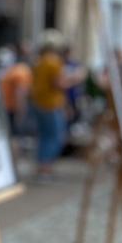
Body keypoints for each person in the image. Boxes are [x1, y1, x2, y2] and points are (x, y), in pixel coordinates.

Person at [29, 30, 82, 180]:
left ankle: (42, 167)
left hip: (40, 103)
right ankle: (45, 169)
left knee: (45, 136)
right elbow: (59, 83)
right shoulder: (53, 62)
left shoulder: (39, 61)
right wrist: (76, 78)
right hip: (51, 105)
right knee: (55, 137)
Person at [0, 46, 33, 144]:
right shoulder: (22, 71)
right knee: (15, 138)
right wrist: (21, 111)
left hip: (5, 107)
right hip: (12, 109)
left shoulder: (10, 71)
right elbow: (21, 93)